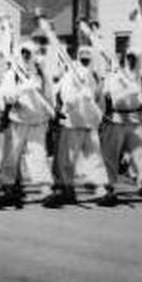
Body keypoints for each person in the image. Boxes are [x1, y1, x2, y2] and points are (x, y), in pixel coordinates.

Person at [101, 47, 142, 205]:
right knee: (109, 156)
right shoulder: (114, 76)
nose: (131, 61)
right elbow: (105, 96)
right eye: (129, 57)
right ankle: (108, 189)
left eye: (134, 58)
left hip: (136, 121)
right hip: (116, 120)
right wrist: (104, 116)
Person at [45, 46, 108, 208]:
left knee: (94, 158)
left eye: (88, 56)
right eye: (82, 56)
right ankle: (67, 189)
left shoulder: (94, 75)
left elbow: (100, 98)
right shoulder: (70, 74)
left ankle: (101, 189)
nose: (85, 59)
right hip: (73, 122)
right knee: (68, 158)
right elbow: (65, 95)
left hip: (90, 123)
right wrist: (76, 97)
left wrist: (98, 114)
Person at [0, 40, 54, 207]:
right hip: (18, 121)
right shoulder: (13, 73)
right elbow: (5, 96)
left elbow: (48, 96)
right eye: (23, 52)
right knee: (11, 156)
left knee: (38, 156)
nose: (26, 56)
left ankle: (45, 190)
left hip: (37, 122)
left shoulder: (41, 74)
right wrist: (22, 89)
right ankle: (8, 188)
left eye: (29, 53)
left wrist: (52, 115)